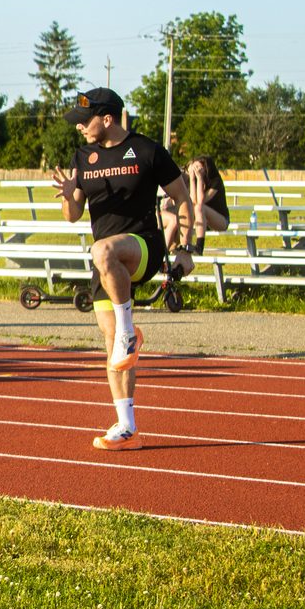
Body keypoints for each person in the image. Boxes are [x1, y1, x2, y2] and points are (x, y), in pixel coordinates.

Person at [53, 88, 194, 452]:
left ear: (108, 118)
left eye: (86, 120)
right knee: (112, 341)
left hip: (143, 246)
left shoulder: (147, 151)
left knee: (103, 251)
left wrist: (186, 249)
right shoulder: (83, 156)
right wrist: (70, 195)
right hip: (107, 264)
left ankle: (129, 331)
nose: (81, 126)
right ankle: (127, 426)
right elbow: (73, 216)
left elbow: (182, 198)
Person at [160, 156, 229, 269]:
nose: (196, 170)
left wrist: (199, 178)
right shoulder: (191, 180)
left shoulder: (215, 181)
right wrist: (192, 179)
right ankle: (166, 255)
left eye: (198, 168)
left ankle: (199, 246)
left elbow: (199, 201)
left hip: (220, 219)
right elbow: (191, 200)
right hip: (202, 221)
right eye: (194, 167)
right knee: (183, 216)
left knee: (198, 208)